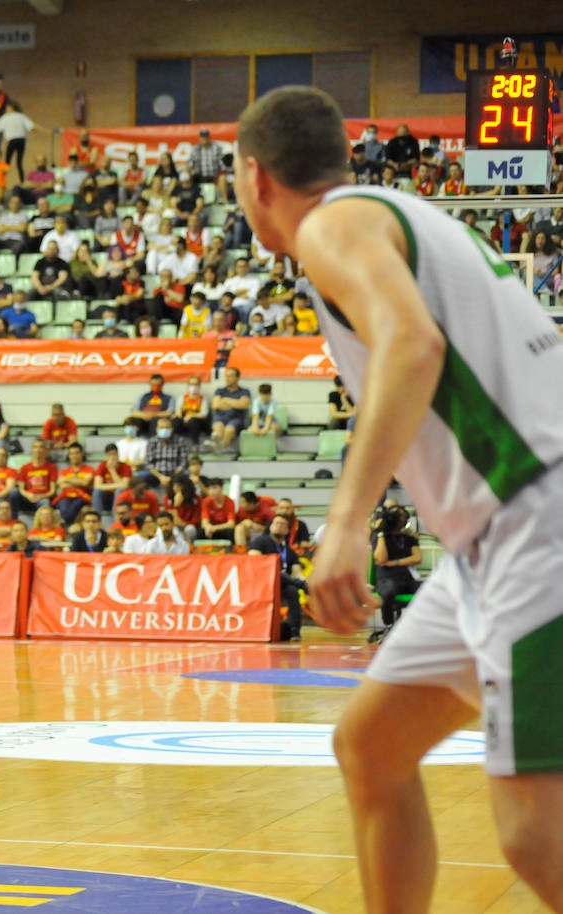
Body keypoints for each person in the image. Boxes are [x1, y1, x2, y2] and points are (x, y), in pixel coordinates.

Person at [237, 85, 563, 913]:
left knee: (534, 836)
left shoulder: (331, 227)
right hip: (490, 541)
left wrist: (345, 528)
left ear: (254, 178)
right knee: (373, 745)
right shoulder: (388, 210)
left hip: (538, 518)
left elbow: (413, 346)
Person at [370, 503, 421, 643]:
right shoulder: (379, 537)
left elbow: (417, 558)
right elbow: (381, 559)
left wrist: (394, 563)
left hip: (406, 579)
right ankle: (389, 625)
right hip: (386, 579)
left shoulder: (409, 537)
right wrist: (380, 532)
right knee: (389, 591)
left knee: (430, 587)